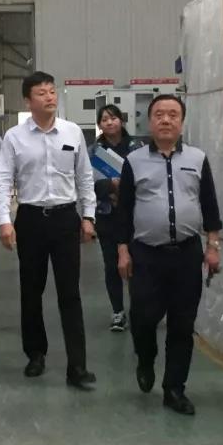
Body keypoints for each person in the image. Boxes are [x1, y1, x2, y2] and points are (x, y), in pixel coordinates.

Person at [115, 94, 222, 416]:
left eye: (173, 114)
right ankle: (145, 359)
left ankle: (174, 389)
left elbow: (209, 204)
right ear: (149, 122)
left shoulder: (197, 158)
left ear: (182, 122)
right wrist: (122, 251)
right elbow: (124, 210)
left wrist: (213, 246)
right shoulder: (134, 161)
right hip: (146, 255)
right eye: (159, 114)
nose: (166, 120)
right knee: (143, 318)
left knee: (182, 324)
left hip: (187, 255)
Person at [0, 71, 97, 390]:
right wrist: (4, 221)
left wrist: (88, 216)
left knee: (70, 293)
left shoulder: (72, 132)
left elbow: (85, 177)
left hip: (66, 218)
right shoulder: (14, 137)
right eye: (41, 93)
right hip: (31, 220)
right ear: (28, 100)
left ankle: (77, 366)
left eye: (52, 91)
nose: (49, 97)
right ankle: (35, 354)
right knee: (31, 290)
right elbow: (3, 180)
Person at [89, 104, 141, 333]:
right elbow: (86, 182)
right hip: (107, 214)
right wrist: (111, 186)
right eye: (104, 119)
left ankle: (140, 308)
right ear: (99, 125)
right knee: (112, 265)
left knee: (138, 264)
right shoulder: (93, 151)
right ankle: (118, 312)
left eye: (113, 118)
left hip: (135, 215)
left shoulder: (136, 148)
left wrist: (125, 187)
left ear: (121, 121)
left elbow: (146, 177)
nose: (109, 122)